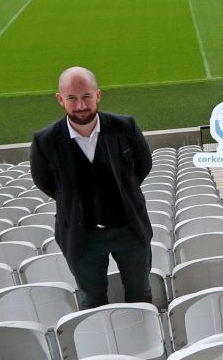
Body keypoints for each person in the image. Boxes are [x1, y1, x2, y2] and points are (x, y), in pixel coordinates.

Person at [29, 66, 153, 310]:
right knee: (92, 302)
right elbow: (44, 182)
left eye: (86, 97)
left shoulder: (125, 127)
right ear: (60, 99)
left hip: (130, 230)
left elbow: (143, 165)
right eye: (72, 98)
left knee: (140, 293)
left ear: (98, 95)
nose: (80, 106)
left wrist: (123, 194)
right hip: (81, 237)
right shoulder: (45, 141)